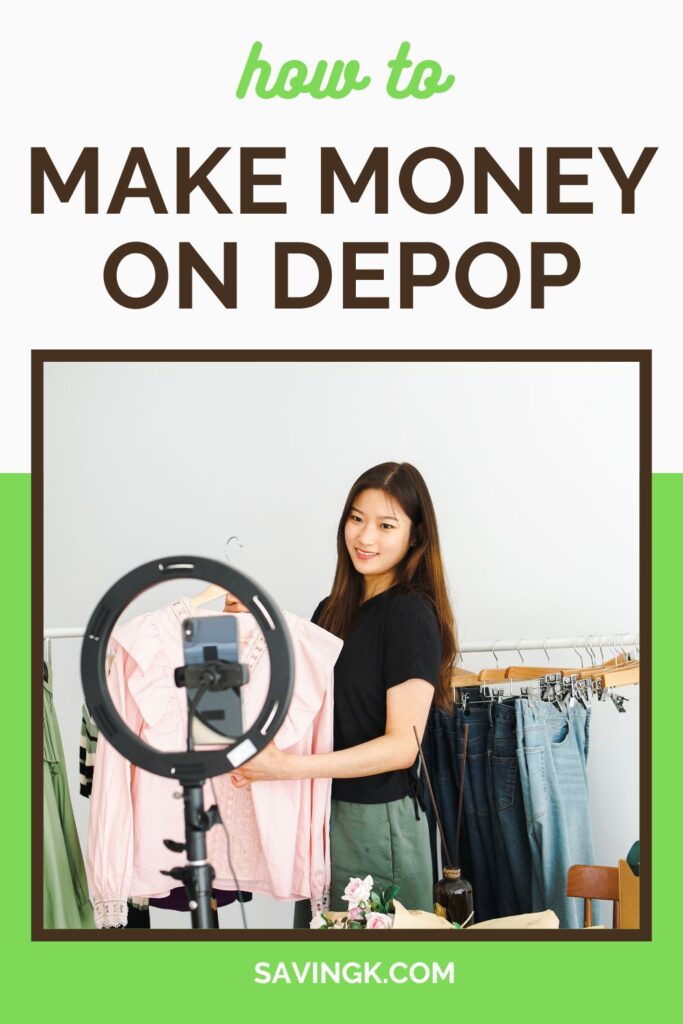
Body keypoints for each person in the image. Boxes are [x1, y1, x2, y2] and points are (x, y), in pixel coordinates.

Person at [227, 462, 457, 923]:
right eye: (356, 518)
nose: (365, 537)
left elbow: (402, 747)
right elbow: (304, 705)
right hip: (320, 814)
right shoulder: (331, 612)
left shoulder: (411, 614)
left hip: (377, 822)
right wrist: (253, 631)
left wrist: (286, 768)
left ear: (415, 536)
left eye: (386, 525)